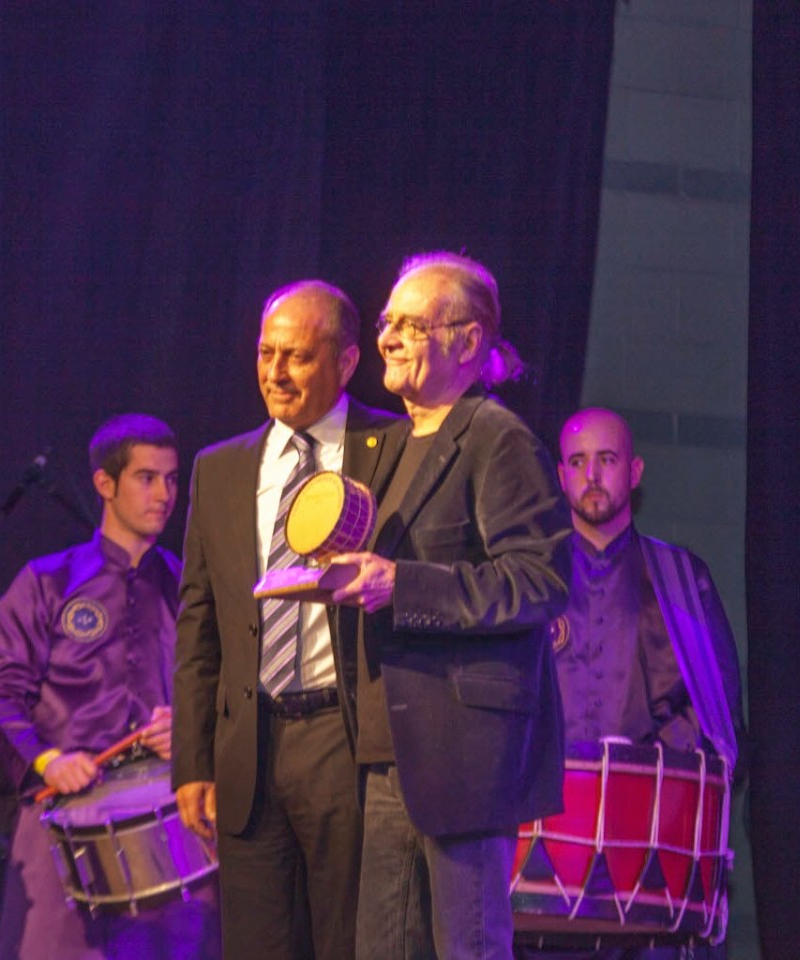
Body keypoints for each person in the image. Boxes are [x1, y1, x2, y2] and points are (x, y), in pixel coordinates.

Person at [330, 252, 572, 960]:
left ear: (469, 342)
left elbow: (539, 579)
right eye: (387, 322)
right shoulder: (392, 445)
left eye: (412, 324)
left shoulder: (497, 438)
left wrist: (401, 585)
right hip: (387, 745)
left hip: (465, 752)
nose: (388, 338)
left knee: (466, 948)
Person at [172, 280, 402, 959]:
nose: (275, 373)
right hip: (250, 745)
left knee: (349, 940)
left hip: (345, 737)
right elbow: (199, 624)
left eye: (297, 356)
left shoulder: (391, 449)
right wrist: (193, 760)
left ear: (348, 361)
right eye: (266, 353)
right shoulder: (219, 469)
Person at [0, 413, 218, 959]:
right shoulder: (47, 581)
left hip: (167, 816)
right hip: (65, 817)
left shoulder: (189, 585)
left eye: (173, 479)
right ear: (104, 484)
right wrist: (45, 761)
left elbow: (222, 689)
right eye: (147, 478)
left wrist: (190, 731)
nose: (164, 494)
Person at [518, 407, 742, 960]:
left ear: (635, 472)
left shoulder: (681, 578)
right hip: (541, 854)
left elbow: (714, 717)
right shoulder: (526, 578)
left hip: (646, 859)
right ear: (561, 476)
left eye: (608, 460)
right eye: (578, 461)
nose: (592, 475)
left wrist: (640, 777)